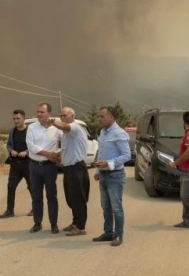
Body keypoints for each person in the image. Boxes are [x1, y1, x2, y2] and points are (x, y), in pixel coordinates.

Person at [92, 106, 131, 247]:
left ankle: (119, 235)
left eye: (102, 116)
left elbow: (127, 155)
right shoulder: (102, 132)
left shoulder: (119, 133)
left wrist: (109, 163)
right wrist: (97, 170)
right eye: (99, 116)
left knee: (116, 207)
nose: (99, 119)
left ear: (111, 117)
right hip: (103, 175)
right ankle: (108, 233)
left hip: (115, 175)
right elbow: (101, 152)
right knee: (105, 206)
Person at [49, 107, 90, 236]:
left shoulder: (75, 127)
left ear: (72, 116)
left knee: (78, 198)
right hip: (69, 169)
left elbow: (65, 127)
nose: (62, 117)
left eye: (65, 115)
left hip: (76, 168)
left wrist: (52, 121)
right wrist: (58, 154)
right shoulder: (67, 134)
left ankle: (80, 227)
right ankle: (75, 222)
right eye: (61, 115)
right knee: (71, 198)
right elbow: (69, 149)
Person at [26, 102, 62, 234]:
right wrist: (48, 154)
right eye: (38, 112)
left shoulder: (56, 127)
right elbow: (31, 146)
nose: (39, 114)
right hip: (35, 166)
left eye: (42, 112)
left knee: (51, 196)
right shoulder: (32, 128)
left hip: (49, 167)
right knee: (36, 196)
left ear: (49, 114)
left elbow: (65, 141)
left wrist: (58, 154)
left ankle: (54, 224)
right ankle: (37, 223)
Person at [0, 109, 33, 218]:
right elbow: (8, 145)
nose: (16, 121)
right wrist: (11, 151)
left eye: (18, 118)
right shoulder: (12, 131)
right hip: (15, 164)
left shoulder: (30, 131)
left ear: (23, 118)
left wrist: (26, 152)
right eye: (14, 119)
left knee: (32, 186)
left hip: (28, 164)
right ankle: (10, 210)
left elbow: (34, 146)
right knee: (11, 186)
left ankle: (35, 208)